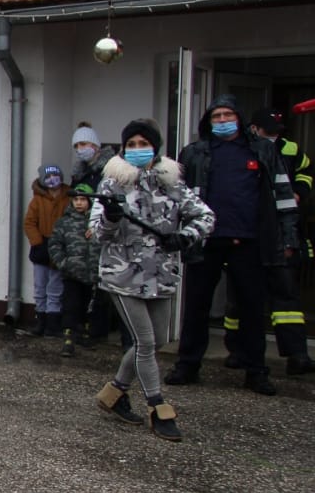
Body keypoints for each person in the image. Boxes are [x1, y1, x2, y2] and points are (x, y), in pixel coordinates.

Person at [166, 95, 299, 395]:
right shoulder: (194, 152)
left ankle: (256, 371)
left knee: (252, 309)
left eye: (228, 115)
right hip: (205, 241)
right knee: (196, 307)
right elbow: (176, 198)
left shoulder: (263, 150)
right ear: (209, 121)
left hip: (249, 242)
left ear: (239, 118)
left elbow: (283, 194)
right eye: (217, 116)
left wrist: (288, 237)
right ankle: (187, 365)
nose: (223, 120)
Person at [90, 119, 213, 441]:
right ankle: (158, 407)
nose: (137, 149)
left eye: (143, 144)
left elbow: (205, 216)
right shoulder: (112, 184)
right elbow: (97, 233)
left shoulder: (172, 183)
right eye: (131, 144)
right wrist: (110, 219)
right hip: (123, 274)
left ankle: (115, 392)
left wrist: (185, 237)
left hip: (161, 274)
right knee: (144, 343)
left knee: (157, 340)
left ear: (155, 148)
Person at [222, 107, 312, 377]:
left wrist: (299, 193)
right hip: (246, 234)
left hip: (278, 233)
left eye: (277, 132)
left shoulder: (290, 149)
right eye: (268, 131)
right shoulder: (241, 151)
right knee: (238, 299)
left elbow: (306, 174)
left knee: (287, 299)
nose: (273, 136)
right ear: (254, 129)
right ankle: (237, 351)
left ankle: (297, 355)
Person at [69, 123, 118, 346]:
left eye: (84, 144)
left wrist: (97, 224)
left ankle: (99, 330)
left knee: (101, 285)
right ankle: (81, 327)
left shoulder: (109, 171)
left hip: (102, 231)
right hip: (81, 234)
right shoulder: (79, 173)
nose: (81, 149)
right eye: (77, 145)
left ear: (96, 145)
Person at [49, 183, 98, 357]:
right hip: (72, 273)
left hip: (92, 273)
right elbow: (54, 245)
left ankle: (84, 333)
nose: (79, 203)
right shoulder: (64, 222)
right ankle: (68, 338)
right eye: (76, 199)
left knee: (89, 305)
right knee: (71, 305)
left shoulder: (97, 223)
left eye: (83, 199)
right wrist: (64, 263)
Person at [23, 163, 70, 336]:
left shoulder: (69, 197)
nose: (52, 179)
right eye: (48, 177)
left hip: (61, 246)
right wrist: (38, 242)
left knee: (56, 287)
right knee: (40, 286)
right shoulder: (37, 200)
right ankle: (40, 320)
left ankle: (53, 323)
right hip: (41, 247)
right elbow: (29, 223)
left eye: (55, 175)